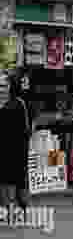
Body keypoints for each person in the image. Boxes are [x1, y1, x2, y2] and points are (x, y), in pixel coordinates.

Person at [0, 74, 32, 210]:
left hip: (14, 150)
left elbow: (25, 130)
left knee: (13, 180)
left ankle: (14, 208)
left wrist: (23, 152)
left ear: (9, 87)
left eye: (3, 86)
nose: (0, 89)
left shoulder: (19, 103)